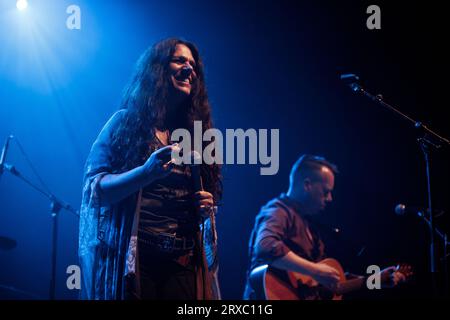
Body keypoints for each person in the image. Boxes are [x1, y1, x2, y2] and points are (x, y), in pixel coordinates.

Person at [78, 38, 222, 300]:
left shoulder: (198, 135)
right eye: (179, 60)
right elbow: (94, 191)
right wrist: (145, 173)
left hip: (183, 263)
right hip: (137, 259)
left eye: (193, 65)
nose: (189, 69)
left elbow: (203, 202)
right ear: (157, 70)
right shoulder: (124, 123)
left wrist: (204, 205)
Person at [243, 154, 406, 299]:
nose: (329, 198)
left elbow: (333, 282)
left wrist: (376, 281)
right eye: (325, 191)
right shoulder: (279, 211)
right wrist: (316, 270)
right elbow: (265, 246)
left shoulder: (310, 226)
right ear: (307, 185)